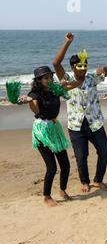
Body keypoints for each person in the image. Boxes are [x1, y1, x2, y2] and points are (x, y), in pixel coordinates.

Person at [53, 32, 107, 193]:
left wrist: (104, 69)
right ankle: (85, 182)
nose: (84, 68)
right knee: (81, 156)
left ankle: (98, 180)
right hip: (76, 125)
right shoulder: (66, 79)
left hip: (95, 123)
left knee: (104, 151)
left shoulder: (92, 78)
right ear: (73, 67)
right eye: (80, 66)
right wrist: (67, 42)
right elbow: (56, 63)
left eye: (85, 65)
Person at [11, 66, 78, 207]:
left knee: (65, 165)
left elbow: (76, 84)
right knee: (52, 167)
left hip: (55, 128)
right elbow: (35, 108)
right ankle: (47, 196)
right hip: (42, 131)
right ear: (39, 80)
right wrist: (28, 101)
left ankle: (62, 190)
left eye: (50, 77)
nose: (49, 80)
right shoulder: (34, 94)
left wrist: (68, 82)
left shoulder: (55, 90)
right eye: (45, 78)